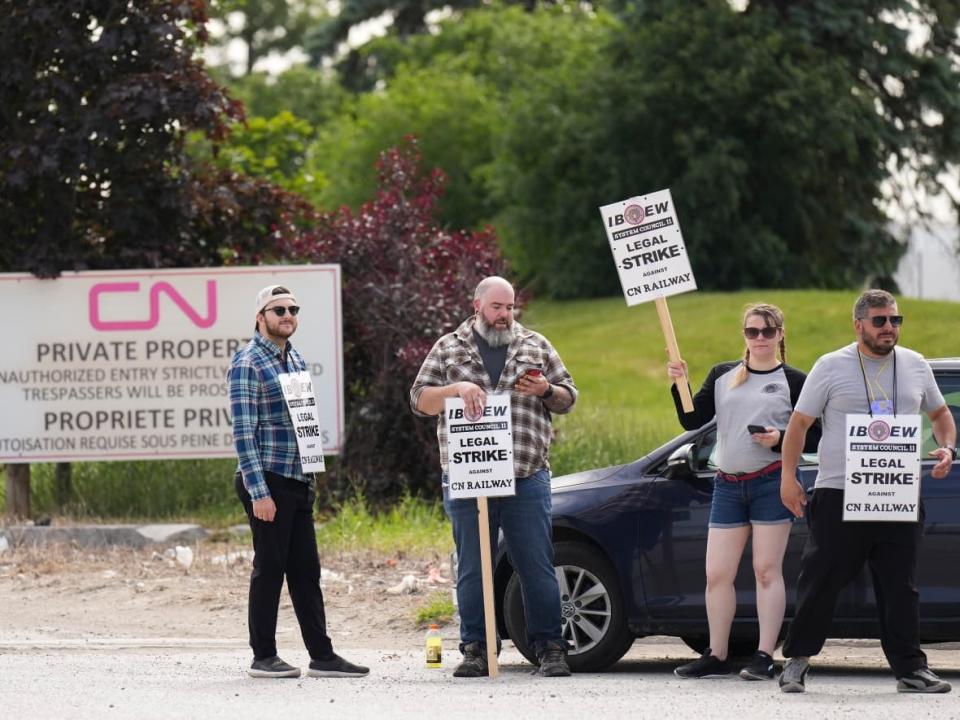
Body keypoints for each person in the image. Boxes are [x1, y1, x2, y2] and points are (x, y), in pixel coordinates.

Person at [778, 289, 956, 694]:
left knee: (900, 585)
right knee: (821, 579)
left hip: (897, 491)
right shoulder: (830, 366)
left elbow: (941, 413)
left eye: (895, 320)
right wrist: (788, 478)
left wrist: (947, 446)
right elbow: (799, 425)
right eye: (880, 321)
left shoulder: (914, 365)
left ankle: (910, 669)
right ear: (858, 324)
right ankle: (798, 661)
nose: (889, 328)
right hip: (839, 491)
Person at [410, 276, 578, 678]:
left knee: (535, 562)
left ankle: (550, 648)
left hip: (526, 473)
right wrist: (457, 388)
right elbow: (419, 400)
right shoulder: (449, 347)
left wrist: (545, 389)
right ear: (477, 305)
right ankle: (477, 649)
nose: (505, 315)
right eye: (497, 307)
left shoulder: (535, 344)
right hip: (468, 476)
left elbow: (569, 397)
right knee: (472, 565)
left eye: (510, 307)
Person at [667, 303, 819, 681]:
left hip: (772, 481)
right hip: (728, 484)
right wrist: (679, 383)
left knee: (766, 571)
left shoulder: (795, 381)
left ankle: (765, 654)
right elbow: (692, 419)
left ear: (781, 334)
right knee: (716, 573)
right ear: (744, 336)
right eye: (753, 332)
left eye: (768, 331)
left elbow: (814, 434)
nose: (761, 338)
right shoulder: (723, 375)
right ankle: (717, 653)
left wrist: (779, 439)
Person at [229, 284, 369, 679]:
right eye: (278, 311)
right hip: (268, 480)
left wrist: (310, 475)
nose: (287, 315)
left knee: (306, 571)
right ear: (261, 318)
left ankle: (322, 656)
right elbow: (243, 433)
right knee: (269, 569)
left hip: (296, 478)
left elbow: (302, 424)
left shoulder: (296, 359)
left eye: (293, 309)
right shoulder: (247, 363)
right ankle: (263, 656)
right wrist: (259, 492)